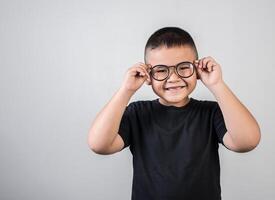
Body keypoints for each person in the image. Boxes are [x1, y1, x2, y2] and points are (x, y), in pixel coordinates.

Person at [88, 27, 261, 200]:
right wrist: (126, 90)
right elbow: (99, 145)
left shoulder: (210, 113)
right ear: (148, 75)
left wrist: (217, 84)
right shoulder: (137, 113)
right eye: (162, 70)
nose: (173, 78)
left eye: (183, 67)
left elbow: (247, 142)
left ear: (197, 69)